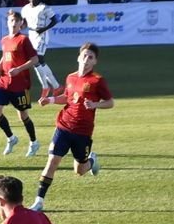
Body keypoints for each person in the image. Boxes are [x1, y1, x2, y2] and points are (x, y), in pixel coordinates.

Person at [30, 40, 113, 211]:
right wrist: (50, 100)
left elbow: (110, 102)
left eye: (91, 57)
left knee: (80, 170)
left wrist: (95, 105)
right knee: (52, 161)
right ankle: (39, 201)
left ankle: (91, 161)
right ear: (78, 57)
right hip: (64, 126)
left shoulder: (97, 81)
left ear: (95, 61)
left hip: (83, 132)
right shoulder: (71, 77)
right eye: (85, 56)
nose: (86, 59)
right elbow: (67, 98)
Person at [0, 8, 41, 157]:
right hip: (4, 82)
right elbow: (5, 55)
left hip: (20, 85)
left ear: (21, 24)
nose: (13, 23)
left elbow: (35, 59)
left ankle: (34, 142)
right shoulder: (4, 40)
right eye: (11, 20)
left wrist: (19, 69)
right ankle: (11, 138)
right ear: (8, 22)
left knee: (23, 116)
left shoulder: (23, 40)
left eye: (16, 21)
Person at [19, 0, 61, 98]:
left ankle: (46, 87)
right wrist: (21, 26)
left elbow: (55, 20)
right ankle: (56, 86)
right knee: (37, 61)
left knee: (37, 59)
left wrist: (44, 29)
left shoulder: (44, 7)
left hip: (42, 35)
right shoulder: (25, 8)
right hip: (32, 34)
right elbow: (24, 22)